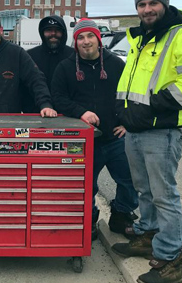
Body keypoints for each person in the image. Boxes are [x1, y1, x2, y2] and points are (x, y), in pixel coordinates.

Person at [111, 0, 182, 283]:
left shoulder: (181, 36)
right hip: (136, 130)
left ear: (164, 4)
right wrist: (125, 114)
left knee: (164, 194)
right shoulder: (142, 39)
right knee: (146, 191)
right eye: (142, 5)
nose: (147, 9)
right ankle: (147, 238)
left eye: (152, 3)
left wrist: (155, 105)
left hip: (161, 130)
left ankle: (169, 260)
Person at [51, 18, 139, 242]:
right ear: (75, 42)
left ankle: (121, 215)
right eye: (81, 37)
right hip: (84, 140)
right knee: (85, 184)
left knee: (129, 180)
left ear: (98, 40)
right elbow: (58, 98)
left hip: (115, 137)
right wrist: (81, 112)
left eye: (90, 36)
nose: (86, 41)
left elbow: (130, 96)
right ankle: (88, 220)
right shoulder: (65, 67)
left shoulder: (116, 65)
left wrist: (126, 122)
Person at [23, 15, 75, 113]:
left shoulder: (74, 55)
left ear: (63, 32)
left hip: (68, 114)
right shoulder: (30, 56)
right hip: (37, 113)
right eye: (48, 30)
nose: (53, 34)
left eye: (57, 30)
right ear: (42, 33)